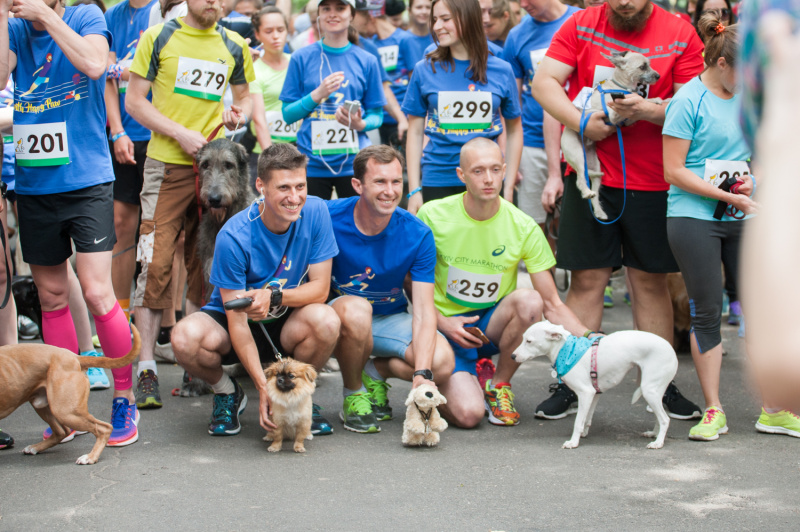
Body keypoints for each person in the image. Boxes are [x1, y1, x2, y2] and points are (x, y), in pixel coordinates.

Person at [531, 0, 705, 421]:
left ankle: (661, 384)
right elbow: (544, 82)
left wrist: (648, 110)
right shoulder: (581, 24)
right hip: (592, 178)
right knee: (587, 279)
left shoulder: (680, 31)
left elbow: (697, 102)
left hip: (656, 179)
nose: (625, 2)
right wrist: (580, 120)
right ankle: (571, 381)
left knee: (650, 282)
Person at [2, 0, 138, 446]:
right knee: (52, 295)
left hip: (86, 179)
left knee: (96, 292)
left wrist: (46, 16)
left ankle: (124, 397)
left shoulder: (84, 17)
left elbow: (95, 65)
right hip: (34, 183)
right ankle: (65, 401)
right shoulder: (14, 29)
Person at [663, 12, 787, 440]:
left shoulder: (752, 96)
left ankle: (775, 410)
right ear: (720, 64)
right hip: (694, 216)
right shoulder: (687, 101)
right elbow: (673, 170)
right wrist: (728, 195)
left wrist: (756, 180)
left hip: (744, 211)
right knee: (707, 311)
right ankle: (714, 410)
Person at [125, 0, 254, 409]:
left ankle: (195, 363)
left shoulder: (234, 44)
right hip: (167, 167)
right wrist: (179, 133)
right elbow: (134, 102)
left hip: (217, 171)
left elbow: (247, 97)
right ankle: (146, 369)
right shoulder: (158, 37)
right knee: (154, 264)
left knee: (206, 268)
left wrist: (238, 114)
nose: (213, 2)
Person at [417, 138, 593, 428]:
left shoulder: (523, 226)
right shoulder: (432, 215)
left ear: (505, 171)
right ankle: (449, 373)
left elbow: (552, 304)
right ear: (461, 175)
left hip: (489, 327)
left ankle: (498, 385)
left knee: (531, 300)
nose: (488, 179)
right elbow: (410, 281)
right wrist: (442, 322)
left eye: (495, 169)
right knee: (469, 415)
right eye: (478, 171)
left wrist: (591, 338)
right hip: (444, 329)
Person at [171, 143, 343, 436]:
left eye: (300, 186)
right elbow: (238, 323)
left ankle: (298, 397)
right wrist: (264, 388)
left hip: (287, 323)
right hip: (235, 326)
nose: (294, 198)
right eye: (284, 188)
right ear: (261, 186)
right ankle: (228, 392)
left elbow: (320, 290)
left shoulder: (316, 211)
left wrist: (273, 295)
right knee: (183, 337)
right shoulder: (234, 235)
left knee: (327, 320)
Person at [326, 145, 454, 433]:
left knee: (442, 363)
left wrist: (422, 374)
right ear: (357, 185)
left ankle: (374, 372)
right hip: (335, 319)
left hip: (387, 320)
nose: (390, 191)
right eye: (380, 182)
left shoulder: (417, 234)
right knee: (356, 309)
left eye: (396, 181)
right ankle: (353, 393)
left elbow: (424, 310)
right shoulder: (327, 216)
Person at [403, 0, 522, 214]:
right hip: (438, 176)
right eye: (435, 19)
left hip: (487, 180)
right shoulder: (424, 69)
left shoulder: (502, 69)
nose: (437, 26)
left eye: (445, 19)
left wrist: (508, 185)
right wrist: (413, 190)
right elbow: (415, 131)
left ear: (468, 18)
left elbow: (514, 130)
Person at [280, 0, 386, 200]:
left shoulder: (367, 60)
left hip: (353, 163)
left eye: (340, 8)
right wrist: (317, 94)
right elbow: (287, 115)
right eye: (326, 8)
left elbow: (377, 115)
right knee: (311, 219)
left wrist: (361, 124)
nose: (332, 14)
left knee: (353, 219)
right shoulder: (300, 57)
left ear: (352, 14)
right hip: (311, 163)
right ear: (318, 14)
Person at [502, 0, 579, 239]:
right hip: (533, 143)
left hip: (581, 138)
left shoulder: (580, 21)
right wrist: (510, 158)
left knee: (576, 225)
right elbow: (511, 105)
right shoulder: (516, 36)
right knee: (537, 228)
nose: (523, 4)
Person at [351, 0, 413, 149]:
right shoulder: (313, 52)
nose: (369, 17)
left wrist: (402, 120)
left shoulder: (368, 47)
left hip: (364, 128)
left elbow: (383, 88)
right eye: (364, 14)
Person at [249, 6, 293, 189]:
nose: (276, 36)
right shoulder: (254, 70)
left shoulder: (297, 62)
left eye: (280, 30)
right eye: (268, 31)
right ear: (257, 34)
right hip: (265, 152)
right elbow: (258, 119)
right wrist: (272, 162)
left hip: (299, 151)